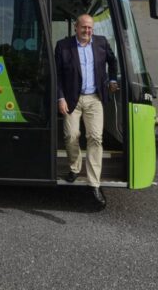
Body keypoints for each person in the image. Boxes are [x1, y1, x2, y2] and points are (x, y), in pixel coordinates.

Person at [55, 14, 118, 208]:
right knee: (71, 135)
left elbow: (112, 61)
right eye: (84, 28)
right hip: (72, 99)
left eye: (90, 28)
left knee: (95, 137)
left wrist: (113, 80)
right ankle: (74, 168)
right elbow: (56, 74)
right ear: (76, 27)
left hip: (94, 99)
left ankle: (94, 183)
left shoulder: (101, 43)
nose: (87, 31)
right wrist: (60, 97)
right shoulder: (63, 46)